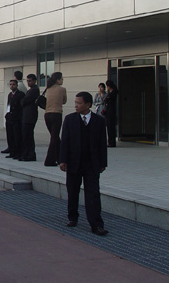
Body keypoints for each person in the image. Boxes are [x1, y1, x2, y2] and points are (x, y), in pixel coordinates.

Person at [59, 91, 108, 236]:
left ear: (88, 105)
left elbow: (102, 144)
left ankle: (96, 224)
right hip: (74, 163)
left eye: (79, 103)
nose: (76, 105)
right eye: (75, 102)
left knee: (93, 193)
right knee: (72, 191)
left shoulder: (99, 121)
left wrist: (103, 163)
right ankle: (72, 217)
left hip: (91, 164)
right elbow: (65, 141)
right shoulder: (69, 120)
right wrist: (63, 160)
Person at [44, 72, 67, 167]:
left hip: (47, 114)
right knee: (54, 138)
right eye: (61, 79)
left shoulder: (48, 89)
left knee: (55, 137)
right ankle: (49, 160)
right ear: (57, 80)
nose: (62, 80)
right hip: (56, 114)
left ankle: (60, 157)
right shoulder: (62, 89)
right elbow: (64, 101)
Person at [20, 74, 39, 161]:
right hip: (27, 115)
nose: (28, 82)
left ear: (34, 81)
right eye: (27, 81)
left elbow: (24, 101)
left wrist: (22, 101)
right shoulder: (30, 90)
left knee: (28, 136)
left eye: (30, 81)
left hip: (30, 116)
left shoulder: (34, 90)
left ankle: (30, 154)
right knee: (27, 136)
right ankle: (27, 153)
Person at [4, 79, 25, 159]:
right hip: (10, 117)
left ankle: (18, 152)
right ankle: (12, 152)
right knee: (10, 136)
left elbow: (21, 107)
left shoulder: (21, 94)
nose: (12, 86)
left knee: (17, 136)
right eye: (10, 84)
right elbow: (8, 105)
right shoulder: (10, 95)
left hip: (17, 118)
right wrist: (7, 114)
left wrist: (19, 116)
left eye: (13, 84)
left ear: (16, 85)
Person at [103, 80, 118, 147]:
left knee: (110, 126)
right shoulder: (111, 93)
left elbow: (106, 100)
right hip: (109, 110)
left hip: (110, 111)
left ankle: (111, 142)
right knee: (110, 127)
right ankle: (111, 141)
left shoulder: (112, 94)